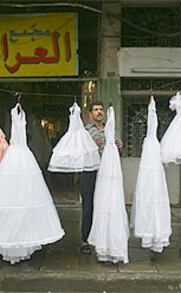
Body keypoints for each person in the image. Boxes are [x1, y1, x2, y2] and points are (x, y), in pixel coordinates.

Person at [79, 101, 121, 254]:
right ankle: (85, 240)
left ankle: (101, 238)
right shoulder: (85, 131)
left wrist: (118, 146)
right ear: (90, 113)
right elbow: (79, 150)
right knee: (88, 205)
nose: (99, 112)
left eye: (101, 110)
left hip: (106, 172)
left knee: (104, 205)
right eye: (95, 110)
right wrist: (91, 144)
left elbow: (118, 147)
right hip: (90, 171)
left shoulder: (110, 129)